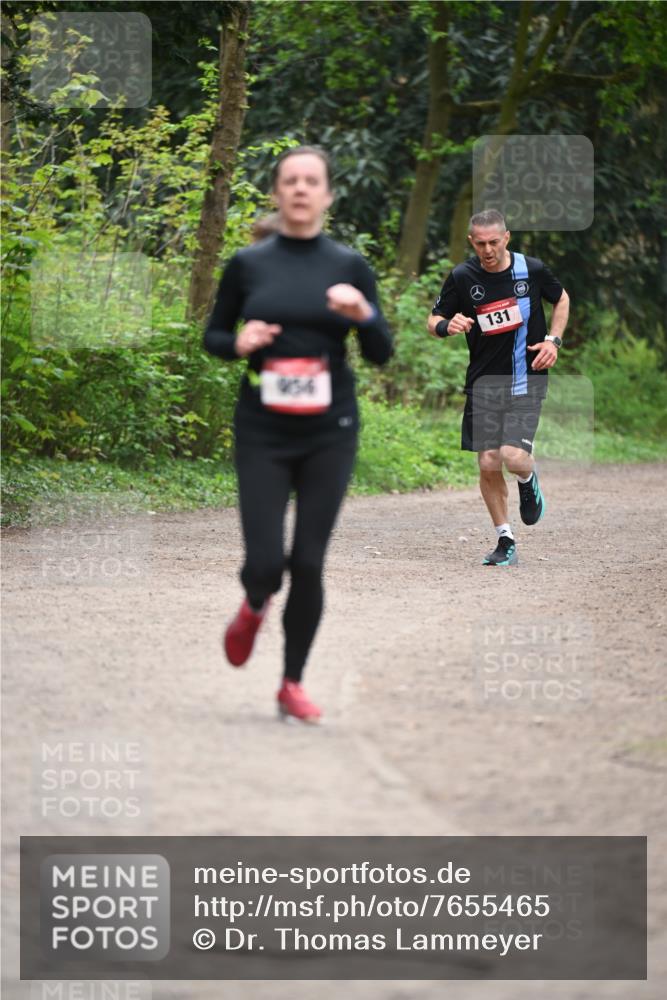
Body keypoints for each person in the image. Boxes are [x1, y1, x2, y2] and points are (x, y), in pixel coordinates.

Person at [204, 146, 392, 721]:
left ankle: (291, 682)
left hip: (329, 431)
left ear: (328, 195)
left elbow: (381, 353)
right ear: (277, 192)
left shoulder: (350, 266)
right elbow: (213, 336)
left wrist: (363, 314)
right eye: (291, 180)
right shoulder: (248, 264)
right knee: (265, 561)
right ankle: (255, 601)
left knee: (308, 560)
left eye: (312, 181)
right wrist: (238, 343)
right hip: (262, 427)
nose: (302, 189)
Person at [427, 209, 569, 566]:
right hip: (483, 382)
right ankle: (505, 539)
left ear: (506, 238)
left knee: (512, 456)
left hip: (526, 377)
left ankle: (527, 478)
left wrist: (553, 340)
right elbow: (434, 320)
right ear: (471, 242)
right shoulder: (462, 276)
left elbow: (562, 298)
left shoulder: (530, 269)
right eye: (480, 243)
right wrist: (449, 324)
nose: (487, 249)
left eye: (494, 242)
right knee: (488, 462)